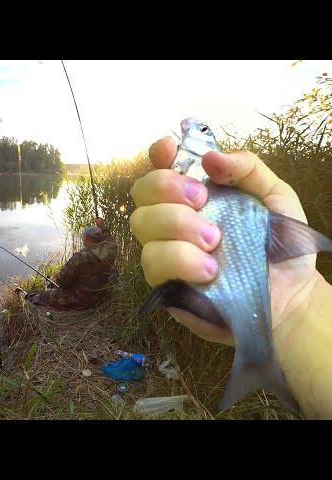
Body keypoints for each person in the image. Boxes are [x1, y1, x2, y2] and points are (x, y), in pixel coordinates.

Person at [129, 136, 332, 419]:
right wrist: (295, 315)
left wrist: (301, 301)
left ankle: (257, 361)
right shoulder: (195, 187)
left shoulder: (236, 189)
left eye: (202, 131)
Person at [17, 218, 118, 310]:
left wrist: (56, 275)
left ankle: (26, 297)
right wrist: (102, 226)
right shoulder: (111, 250)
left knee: (45, 296)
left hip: (81, 300)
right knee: (114, 271)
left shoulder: (80, 258)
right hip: (100, 296)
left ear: (86, 238)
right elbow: (110, 240)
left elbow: (62, 282)